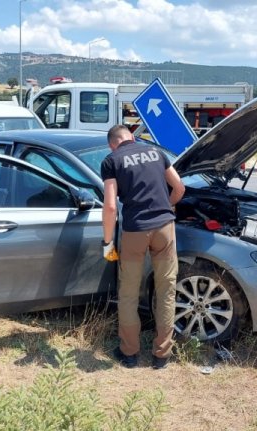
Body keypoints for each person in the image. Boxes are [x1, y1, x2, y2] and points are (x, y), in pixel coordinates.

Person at [101, 124, 185, 369]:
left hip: (135, 230)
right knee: (166, 291)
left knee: (127, 293)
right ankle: (162, 355)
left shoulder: (111, 160)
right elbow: (179, 188)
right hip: (164, 229)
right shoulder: (157, 153)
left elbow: (110, 207)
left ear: (112, 144)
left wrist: (107, 242)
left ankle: (130, 353)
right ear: (132, 137)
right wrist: (166, 208)